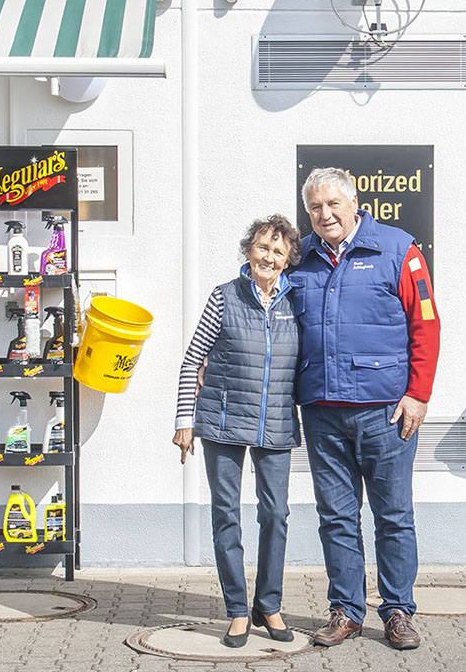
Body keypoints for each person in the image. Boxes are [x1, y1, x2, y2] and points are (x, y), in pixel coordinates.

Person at [291, 168, 440, 650]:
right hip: (322, 411)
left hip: (386, 411)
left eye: (333, 204)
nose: (324, 214)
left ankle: (397, 611)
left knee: (393, 514)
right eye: (315, 207)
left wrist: (418, 394)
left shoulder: (398, 249)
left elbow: (427, 324)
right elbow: (263, 312)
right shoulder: (302, 258)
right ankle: (346, 610)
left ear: (356, 203)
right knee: (336, 516)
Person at [173, 215, 302, 648]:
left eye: (278, 251)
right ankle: (235, 610)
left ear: (288, 260)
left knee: (276, 515)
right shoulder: (223, 297)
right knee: (226, 514)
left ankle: (268, 604)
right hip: (223, 421)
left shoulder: (295, 301)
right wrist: (184, 421)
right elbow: (193, 360)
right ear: (249, 250)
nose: (269, 256)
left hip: (277, 420)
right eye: (263, 247)